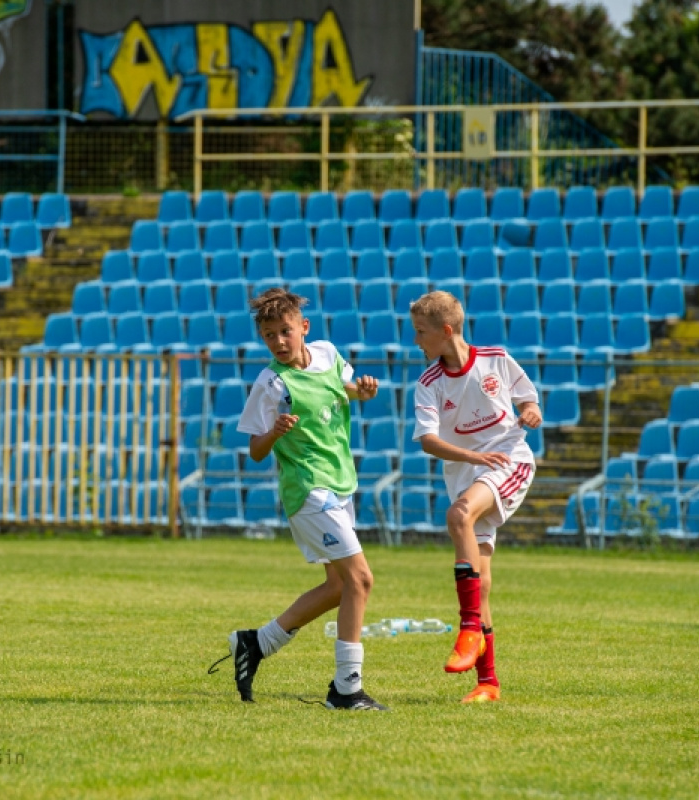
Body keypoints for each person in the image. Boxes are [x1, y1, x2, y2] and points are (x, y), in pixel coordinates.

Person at [213, 287, 389, 711]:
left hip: (340, 482)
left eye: (285, 331)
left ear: (304, 328)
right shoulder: (271, 382)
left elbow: (344, 389)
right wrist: (273, 432)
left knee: (337, 587)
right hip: (308, 489)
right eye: (269, 335)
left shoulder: (328, 353)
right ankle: (347, 689)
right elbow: (255, 450)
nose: (278, 341)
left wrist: (362, 391)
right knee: (360, 580)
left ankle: (257, 643)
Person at [408, 291, 542, 703]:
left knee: (459, 513)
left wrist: (532, 410)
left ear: (446, 331)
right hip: (470, 470)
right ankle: (488, 683)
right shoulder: (428, 383)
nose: (416, 341)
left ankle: (468, 630)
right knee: (480, 583)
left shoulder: (496, 359)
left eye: (421, 333)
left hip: (508, 460)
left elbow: (528, 397)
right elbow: (428, 441)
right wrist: (472, 456)